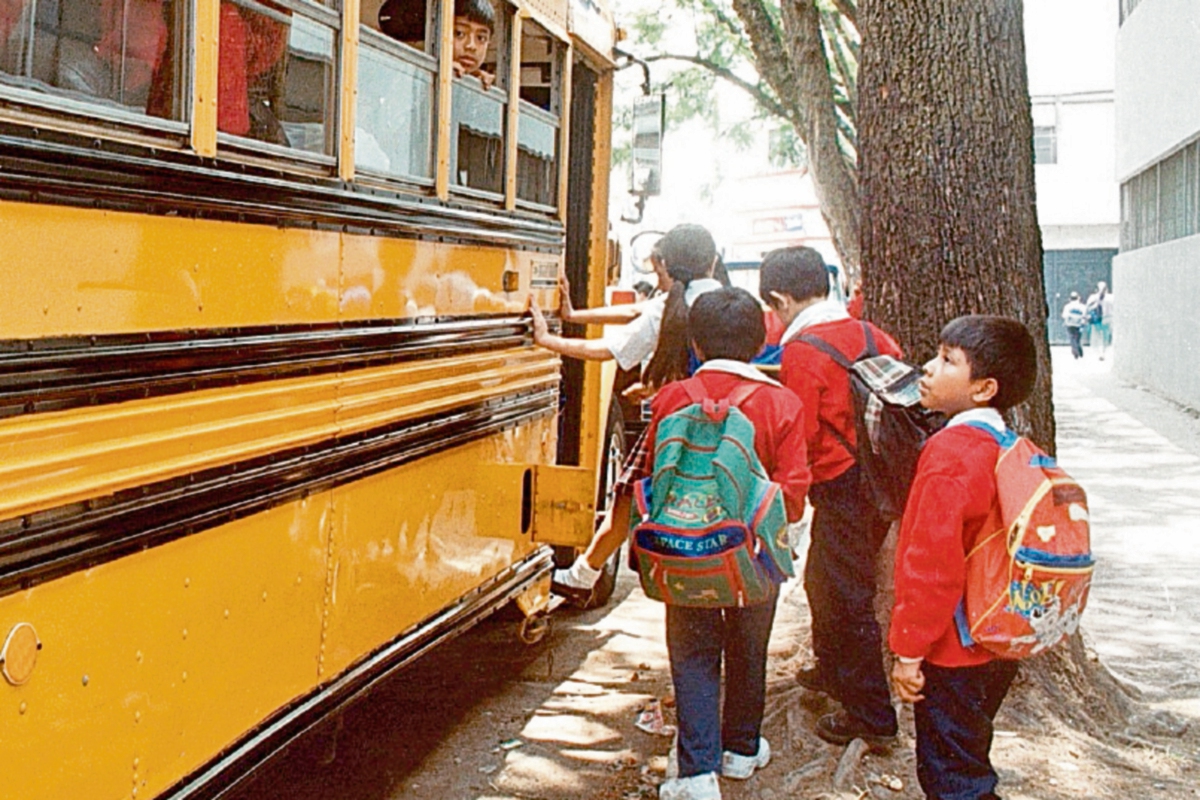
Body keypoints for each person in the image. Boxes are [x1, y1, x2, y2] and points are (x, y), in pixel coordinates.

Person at [649, 287, 810, 800]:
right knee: (749, 646)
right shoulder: (782, 402)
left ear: (694, 341)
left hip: (685, 551)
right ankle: (741, 748)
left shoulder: (672, 398)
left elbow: (658, 476)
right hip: (756, 555)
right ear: (764, 339)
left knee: (693, 652)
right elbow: (796, 490)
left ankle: (697, 772)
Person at [530, 225, 724, 599]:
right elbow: (636, 312)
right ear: (713, 261)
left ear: (665, 267)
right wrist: (576, 314)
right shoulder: (727, 300)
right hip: (729, 419)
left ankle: (584, 573)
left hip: (679, 421)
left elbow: (610, 348)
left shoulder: (669, 308)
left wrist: (548, 339)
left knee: (626, 495)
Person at [889, 314, 1038, 800]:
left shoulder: (951, 451)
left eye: (947, 360)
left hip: (952, 645)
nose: (927, 369)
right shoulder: (1007, 444)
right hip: (998, 635)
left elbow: (930, 564)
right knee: (967, 756)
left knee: (953, 778)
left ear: (983, 388)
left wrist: (909, 650)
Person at [758, 245, 902, 745]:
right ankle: (832, 670)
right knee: (826, 582)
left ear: (781, 299)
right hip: (883, 479)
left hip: (841, 487)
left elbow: (802, 436)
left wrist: (788, 512)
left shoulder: (803, 351)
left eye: (774, 309)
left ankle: (873, 717)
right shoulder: (872, 333)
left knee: (845, 595)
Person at [1061, 291, 1087, 359]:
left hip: (1070, 324)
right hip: (1079, 324)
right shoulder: (1082, 306)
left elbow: (1064, 315)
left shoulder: (1067, 306)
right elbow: (1084, 315)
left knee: (1072, 338)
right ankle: (1078, 347)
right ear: (1078, 298)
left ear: (1070, 299)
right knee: (1078, 337)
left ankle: (1075, 351)